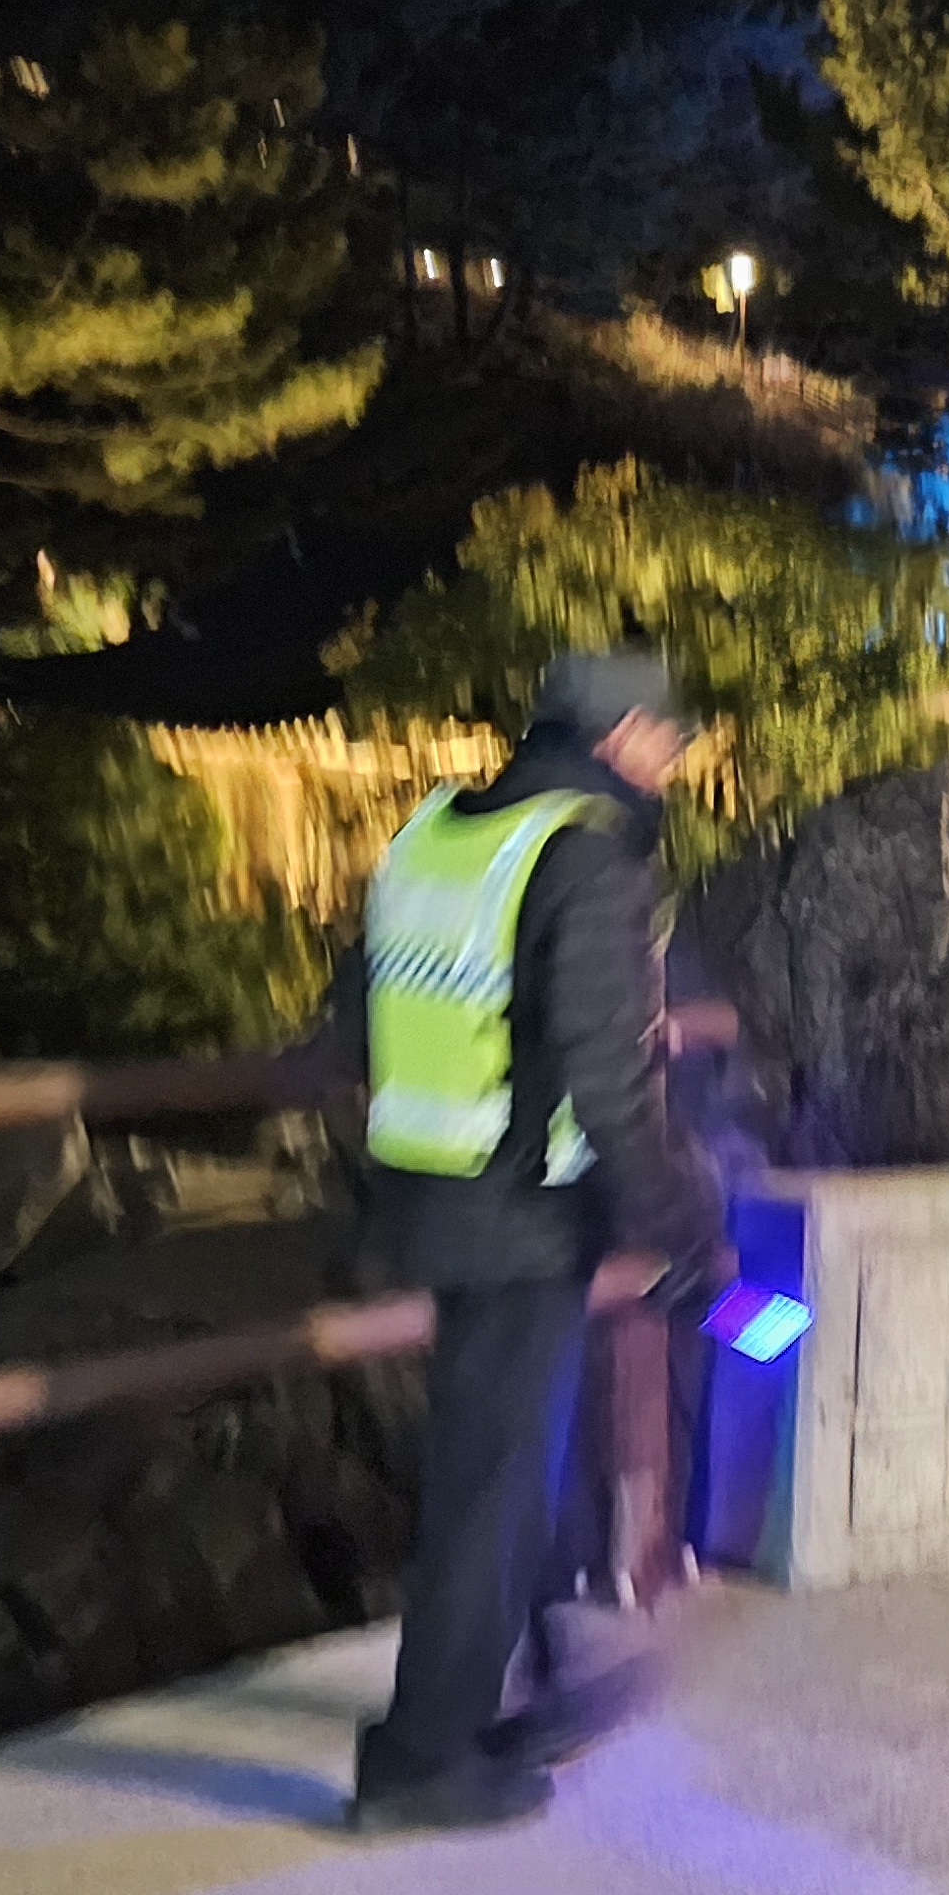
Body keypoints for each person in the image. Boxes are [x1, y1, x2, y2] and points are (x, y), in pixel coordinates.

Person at [341, 646, 730, 1834]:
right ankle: (421, 1761)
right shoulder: (588, 858)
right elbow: (610, 1082)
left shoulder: (443, 835)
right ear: (617, 740)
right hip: (521, 1217)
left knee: (500, 1471)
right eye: (666, 738)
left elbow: (361, 1009)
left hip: (430, 1189)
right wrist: (684, 1227)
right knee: (490, 1490)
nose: (675, 760)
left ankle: (506, 1693)